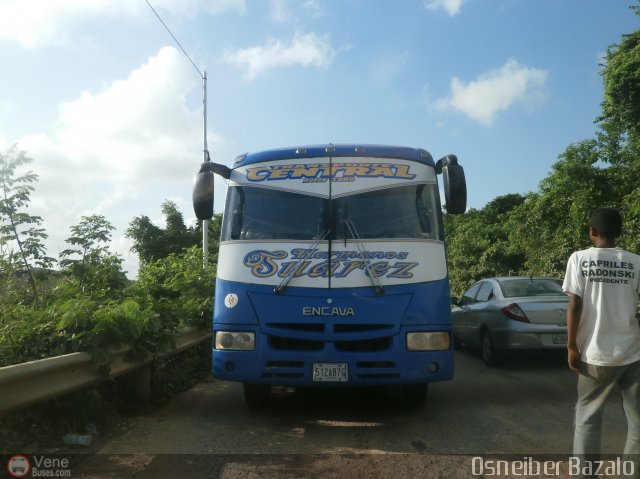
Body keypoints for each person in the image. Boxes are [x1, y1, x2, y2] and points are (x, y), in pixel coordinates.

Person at [563, 207, 640, 466]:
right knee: (637, 422)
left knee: (588, 419)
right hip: (632, 352)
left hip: (594, 354)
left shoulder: (579, 258)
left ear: (592, 232)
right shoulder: (635, 261)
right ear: (619, 233)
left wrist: (571, 346)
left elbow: (574, 304)